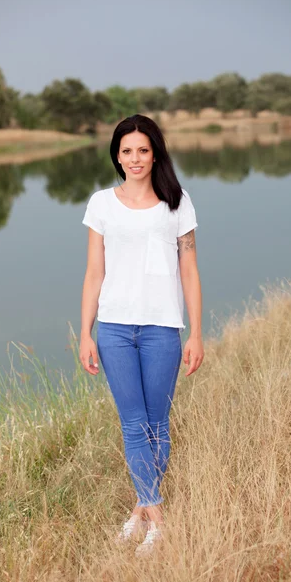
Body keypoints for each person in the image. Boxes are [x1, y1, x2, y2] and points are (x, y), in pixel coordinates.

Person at [80, 114, 204, 556]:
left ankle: (141, 509)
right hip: (113, 327)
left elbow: (189, 269)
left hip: (163, 327)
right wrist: (85, 333)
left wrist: (196, 333)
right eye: (127, 150)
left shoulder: (177, 202)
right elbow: (95, 272)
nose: (135, 158)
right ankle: (157, 515)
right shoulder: (101, 204)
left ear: (156, 154)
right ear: (117, 154)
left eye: (143, 150)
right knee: (133, 424)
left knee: (157, 423)